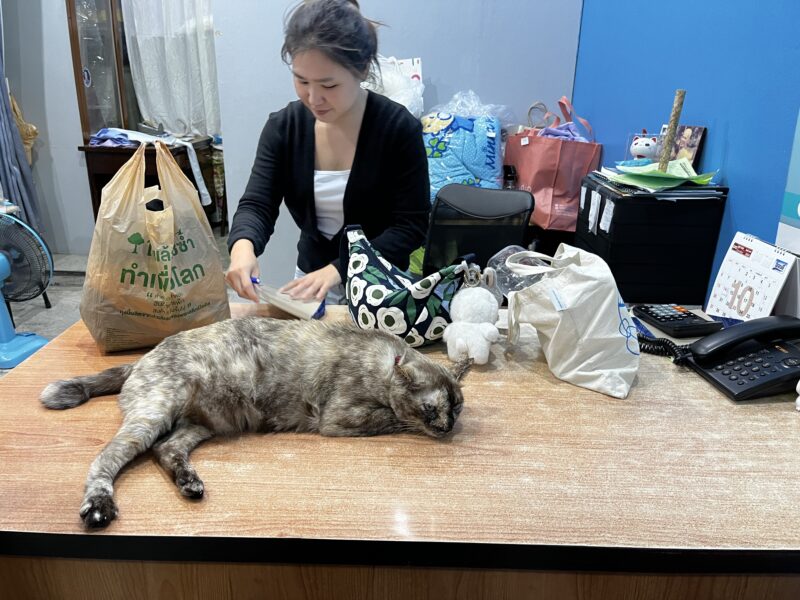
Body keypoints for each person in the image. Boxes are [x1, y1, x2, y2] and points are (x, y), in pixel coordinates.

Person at [225, 0, 430, 304]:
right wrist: (242, 248)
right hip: (309, 283)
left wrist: (339, 270)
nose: (313, 97)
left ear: (361, 70)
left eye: (329, 84)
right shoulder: (284, 128)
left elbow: (410, 226)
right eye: (301, 80)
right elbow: (258, 204)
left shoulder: (398, 128)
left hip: (380, 286)